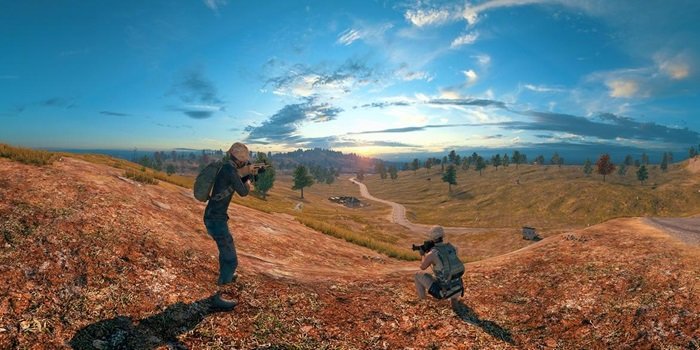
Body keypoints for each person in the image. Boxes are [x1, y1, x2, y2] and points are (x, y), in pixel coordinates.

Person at [204, 142, 254, 310]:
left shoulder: (227, 167)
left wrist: (245, 172)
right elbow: (244, 192)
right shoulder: (230, 170)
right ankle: (220, 296)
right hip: (216, 220)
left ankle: (226, 276)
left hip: (214, 217)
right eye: (244, 160)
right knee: (231, 259)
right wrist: (248, 176)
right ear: (240, 159)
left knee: (225, 251)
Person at [414, 226, 465, 308]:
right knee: (446, 274)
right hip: (458, 288)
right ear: (442, 236)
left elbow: (422, 267)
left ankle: (422, 301)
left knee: (417, 275)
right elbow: (448, 266)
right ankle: (454, 300)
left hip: (444, 292)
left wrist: (423, 254)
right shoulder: (453, 248)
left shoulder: (432, 253)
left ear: (431, 238)